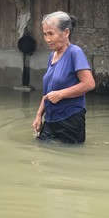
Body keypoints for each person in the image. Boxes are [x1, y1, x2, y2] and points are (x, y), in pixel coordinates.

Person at [32, 11, 95, 143]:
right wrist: (39, 115)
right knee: (42, 150)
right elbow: (49, 91)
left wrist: (61, 94)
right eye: (45, 34)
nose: (47, 39)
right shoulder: (52, 56)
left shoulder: (75, 53)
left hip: (70, 119)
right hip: (51, 119)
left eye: (51, 34)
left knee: (71, 157)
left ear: (66, 33)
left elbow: (89, 84)